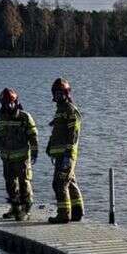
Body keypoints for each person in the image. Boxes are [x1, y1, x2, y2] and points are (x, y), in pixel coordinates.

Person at [0, 88, 39, 221]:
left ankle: (26, 209)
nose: (8, 106)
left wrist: (34, 152)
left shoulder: (24, 117)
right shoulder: (0, 118)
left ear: (16, 102)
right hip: (7, 158)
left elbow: (33, 136)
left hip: (22, 157)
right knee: (10, 184)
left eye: (11, 103)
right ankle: (15, 207)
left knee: (24, 183)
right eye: (5, 103)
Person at [46, 78, 83, 224]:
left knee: (59, 184)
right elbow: (57, 132)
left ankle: (63, 214)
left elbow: (73, 135)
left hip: (67, 155)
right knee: (70, 182)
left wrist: (68, 155)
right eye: (56, 94)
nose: (57, 96)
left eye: (60, 93)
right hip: (60, 154)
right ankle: (77, 212)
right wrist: (50, 148)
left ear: (67, 94)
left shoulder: (70, 110)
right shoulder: (60, 110)